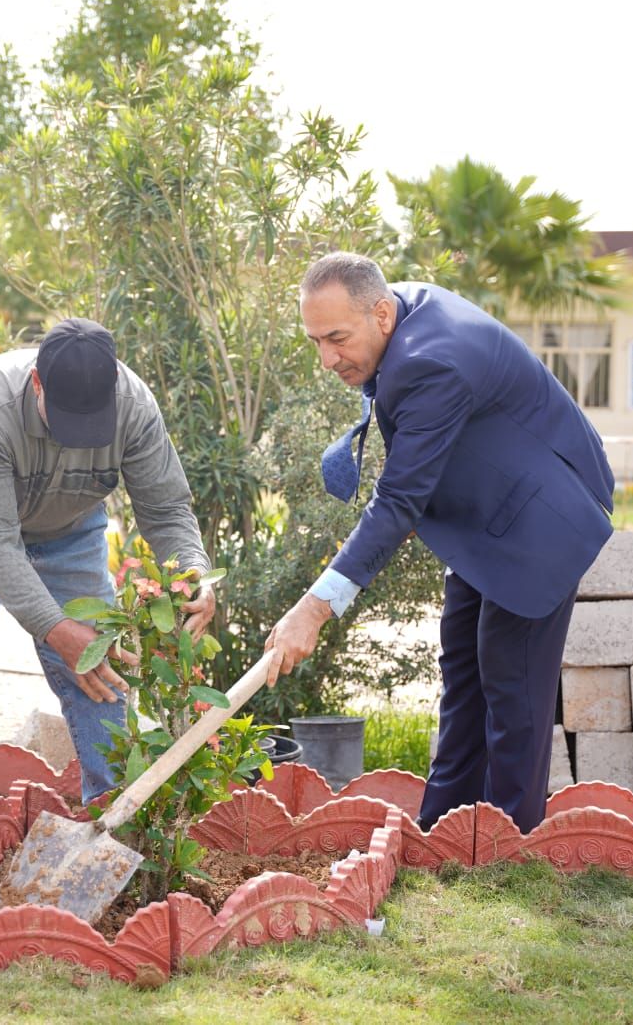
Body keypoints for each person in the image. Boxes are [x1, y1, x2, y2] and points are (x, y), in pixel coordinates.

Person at [262, 254, 613, 835]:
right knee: (463, 671)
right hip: (487, 516)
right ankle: (443, 830)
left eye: (337, 339)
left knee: (512, 685)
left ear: (380, 315)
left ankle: (506, 845)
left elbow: (398, 500)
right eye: (315, 341)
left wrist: (315, 608)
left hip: (540, 524)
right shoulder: (397, 311)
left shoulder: (430, 361)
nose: (326, 359)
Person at [0, 319, 215, 858]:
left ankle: (115, 819)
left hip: (71, 524)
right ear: (37, 382)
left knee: (100, 666)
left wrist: (192, 573)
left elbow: (165, 509)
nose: (79, 435)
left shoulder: (135, 406)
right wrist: (56, 629)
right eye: (67, 419)